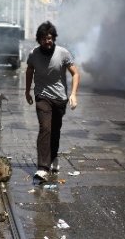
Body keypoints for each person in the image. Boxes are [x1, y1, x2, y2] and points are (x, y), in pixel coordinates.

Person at [25, 21, 80, 183]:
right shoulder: (33, 54)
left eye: (49, 38)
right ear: (39, 40)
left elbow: (75, 74)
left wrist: (74, 94)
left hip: (60, 99)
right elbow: (29, 70)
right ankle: (42, 167)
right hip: (42, 96)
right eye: (43, 38)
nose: (46, 41)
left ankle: (53, 157)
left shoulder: (63, 53)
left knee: (55, 131)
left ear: (53, 38)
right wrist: (27, 91)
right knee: (45, 129)